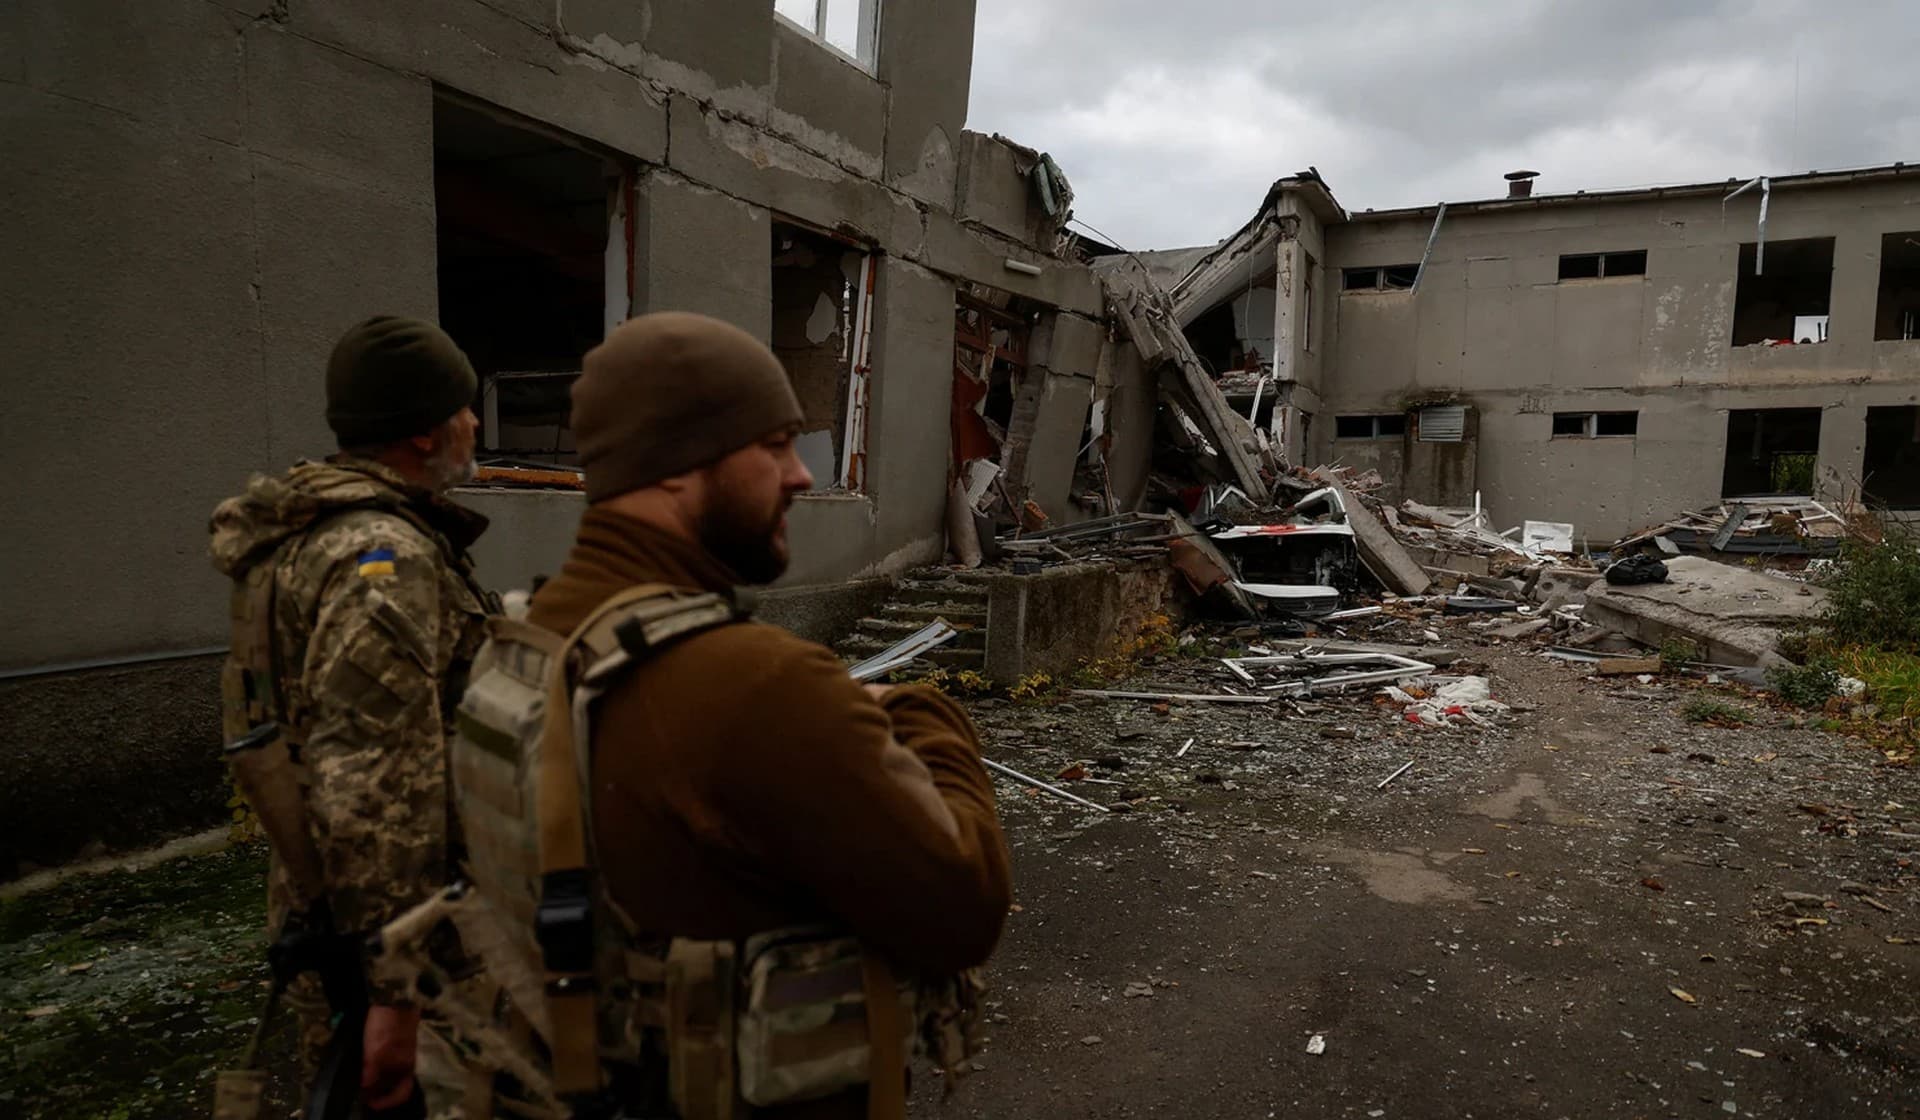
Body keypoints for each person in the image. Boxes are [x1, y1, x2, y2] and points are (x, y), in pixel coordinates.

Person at [522, 310, 1013, 1117]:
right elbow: (966, 905)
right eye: (774, 444)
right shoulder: (754, 686)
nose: (800, 476)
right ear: (679, 463)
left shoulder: (523, 647)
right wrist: (920, 712)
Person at [209, 316, 495, 1117]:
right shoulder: (382, 558)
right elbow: (374, 782)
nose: (475, 423)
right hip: (388, 939)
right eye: (465, 406)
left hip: (327, 904)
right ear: (422, 430)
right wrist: (395, 995)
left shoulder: (308, 539)